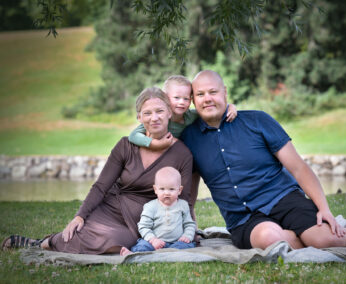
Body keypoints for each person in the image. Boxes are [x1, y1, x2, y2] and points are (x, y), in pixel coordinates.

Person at [180, 70, 346, 250]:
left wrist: (324, 208)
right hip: (243, 219)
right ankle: (307, 236)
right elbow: (191, 191)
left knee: (324, 240)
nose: (207, 99)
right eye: (201, 94)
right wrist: (191, 228)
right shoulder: (189, 139)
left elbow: (298, 168)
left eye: (213, 92)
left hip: (283, 199)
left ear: (225, 93)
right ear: (193, 100)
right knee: (271, 239)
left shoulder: (257, 121)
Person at [2, 87, 194, 254]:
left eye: (159, 111)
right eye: (147, 113)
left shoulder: (182, 154)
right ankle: (44, 243)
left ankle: (50, 242)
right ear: (139, 117)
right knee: (80, 231)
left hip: (144, 219)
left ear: (169, 112)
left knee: (114, 241)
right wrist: (80, 215)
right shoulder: (125, 145)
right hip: (110, 207)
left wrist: (185, 230)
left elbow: (182, 198)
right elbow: (102, 185)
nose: (154, 118)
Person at [128, 75, 237, 214]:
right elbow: (133, 136)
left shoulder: (190, 116)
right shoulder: (159, 118)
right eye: (177, 98)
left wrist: (230, 107)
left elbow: (212, 109)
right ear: (165, 98)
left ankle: (191, 223)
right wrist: (154, 144)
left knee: (189, 194)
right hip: (161, 160)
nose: (182, 102)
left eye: (186, 99)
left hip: (184, 160)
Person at [120, 166, 196, 256]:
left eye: (171, 189)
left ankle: (171, 252)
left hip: (176, 242)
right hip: (154, 242)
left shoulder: (183, 205)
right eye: (162, 189)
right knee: (143, 246)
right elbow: (143, 226)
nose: (166, 193)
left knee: (185, 246)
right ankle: (132, 254)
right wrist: (153, 240)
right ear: (155, 189)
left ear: (179, 190)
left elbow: (189, 224)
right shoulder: (151, 206)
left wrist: (187, 236)